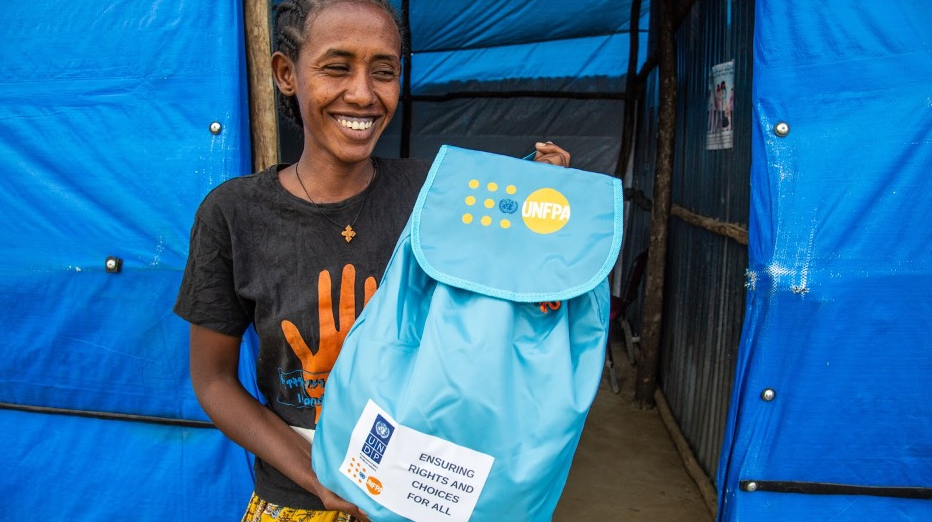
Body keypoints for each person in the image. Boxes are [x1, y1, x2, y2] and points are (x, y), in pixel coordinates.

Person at [173, 1, 571, 521]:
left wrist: (547, 201)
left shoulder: (438, 195)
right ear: (286, 74)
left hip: (425, 491)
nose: (363, 94)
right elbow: (213, 381)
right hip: (298, 495)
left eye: (383, 72)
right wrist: (318, 474)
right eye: (337, 67)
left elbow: (513, 307)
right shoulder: (234, 216)